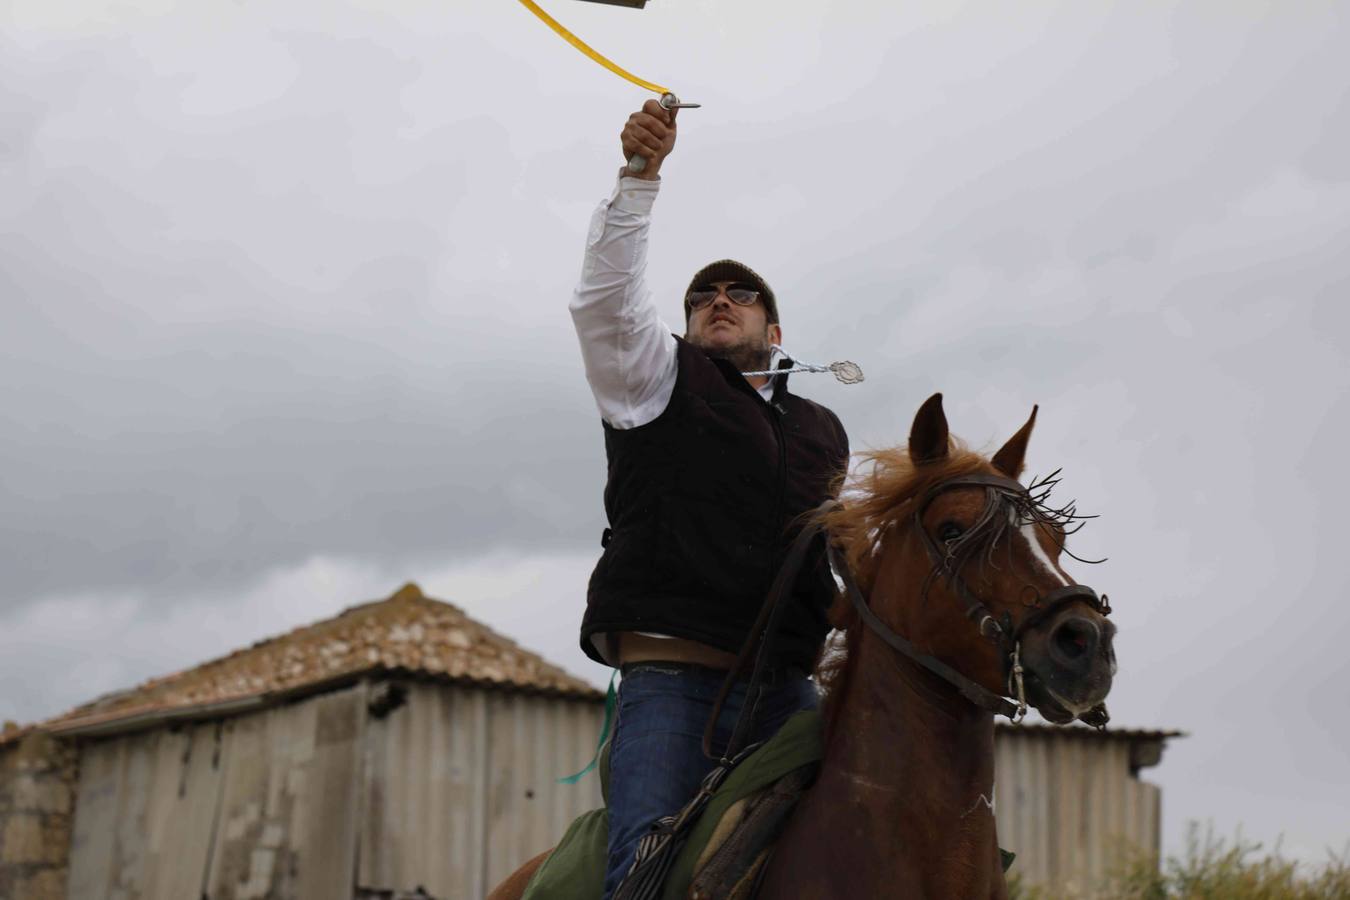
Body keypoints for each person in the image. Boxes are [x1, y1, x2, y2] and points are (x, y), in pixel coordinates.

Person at [568, 99, 850, 900]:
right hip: (672, 687)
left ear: (777, 327)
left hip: (789, 693)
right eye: (702, 297)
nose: (718, 300)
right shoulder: (658, 379)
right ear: (688, 326)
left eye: (740, 293)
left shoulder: (824, 429)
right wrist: (638, 178)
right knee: (645, 881)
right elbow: (605, 305)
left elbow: (837, 563)